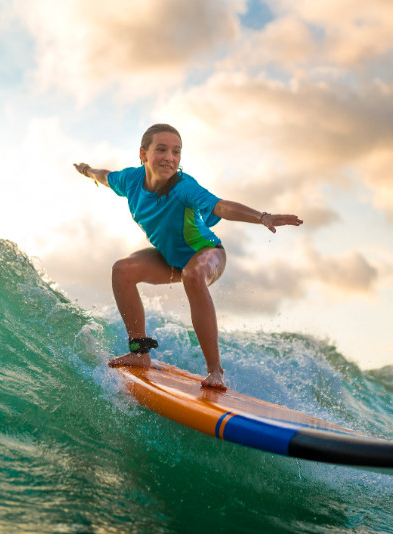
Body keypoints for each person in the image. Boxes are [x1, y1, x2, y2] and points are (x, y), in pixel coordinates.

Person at [74, 123, 303, 390]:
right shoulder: (130, 180)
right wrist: (88, 171)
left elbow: (221, 206)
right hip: (169, 259)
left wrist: (262, 217)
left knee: (192, 275)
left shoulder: (184, 187)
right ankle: (139, 352)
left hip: (208, 253)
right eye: (161, 150)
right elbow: (106, 176)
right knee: (122, 269)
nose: (169, 158)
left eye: (176, 152)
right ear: (143, 154)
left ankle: (215, 371)